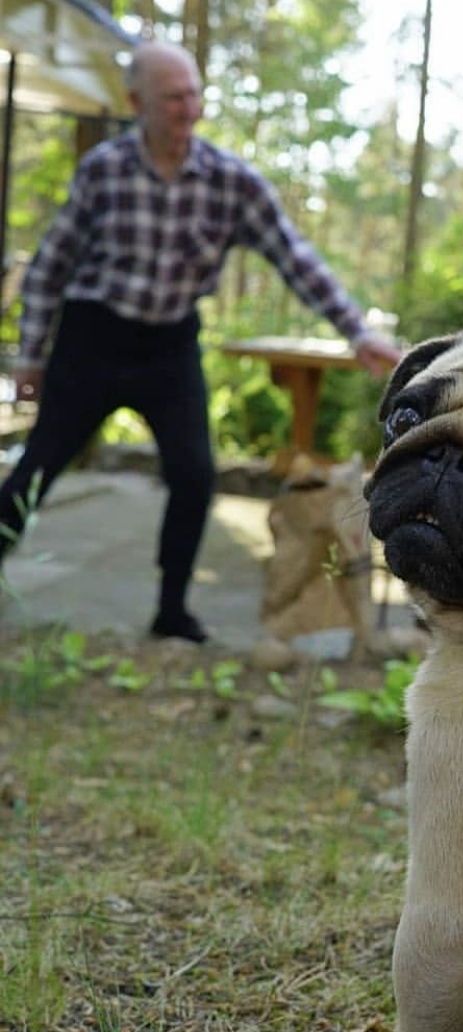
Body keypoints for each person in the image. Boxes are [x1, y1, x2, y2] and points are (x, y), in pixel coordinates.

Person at [0, 40, 401, 644]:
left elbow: (294, 256)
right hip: (92, 340)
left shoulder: (228, 180)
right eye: (173, 97)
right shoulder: (104, 170)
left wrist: (356, 330)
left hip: (169, 347)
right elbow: (51, 265)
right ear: (138, 103)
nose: (189, 107)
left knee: (194, 475)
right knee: (36, 469)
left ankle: (171, 612)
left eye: (194, 93)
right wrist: (32, 355)